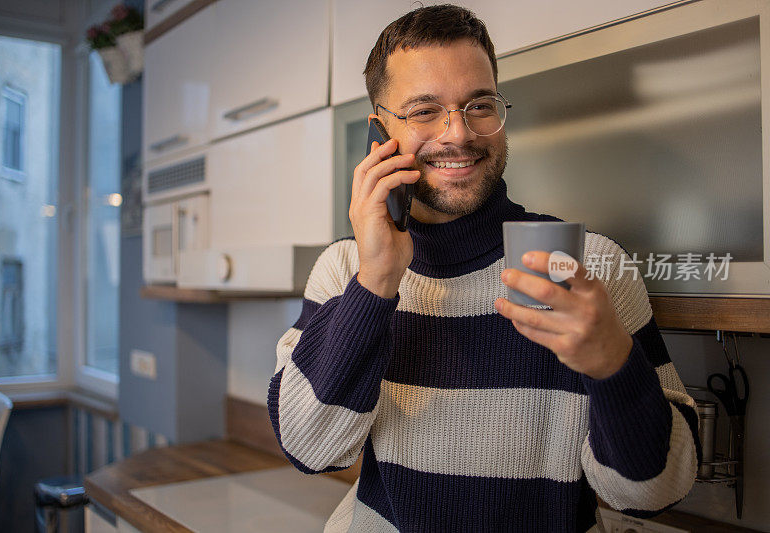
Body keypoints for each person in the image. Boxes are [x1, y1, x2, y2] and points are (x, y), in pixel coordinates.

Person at [267, 4, 700, 532]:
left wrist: (614, 364)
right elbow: (310, 450)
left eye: (479, 104)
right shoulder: (346, 269)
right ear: (380, 133)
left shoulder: (585, 265)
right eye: (424, 110)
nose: (458, 133)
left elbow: (652, 493)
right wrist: (377, 281)